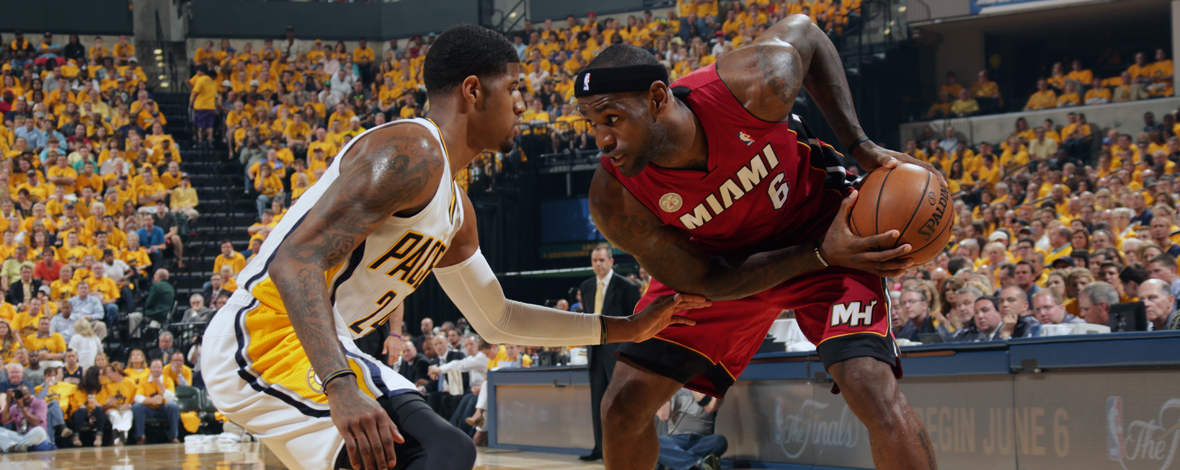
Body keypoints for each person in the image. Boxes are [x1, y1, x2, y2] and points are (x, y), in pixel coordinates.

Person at [201, 25, 708, 470]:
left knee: (434, 451)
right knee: (441, 451)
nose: (521, 104)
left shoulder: (456, 210)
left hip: (321, 346)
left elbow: (498, 320)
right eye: (513, 88)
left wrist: (630, 327)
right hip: (263, 338)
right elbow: (295, 261)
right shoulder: (412, 150)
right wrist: (340, 384)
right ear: (473, 90)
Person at [575, 18, 936, 468]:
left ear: (657, 98)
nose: (603, 140)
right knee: (621, 406)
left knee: (871, 387)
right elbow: (706, 281)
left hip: (827, 233)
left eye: (612, 119)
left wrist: (858, 143)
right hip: (727, 269)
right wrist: (816, 255)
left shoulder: (750, 87)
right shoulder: (615, 197)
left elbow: (807, 34)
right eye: (592, 123)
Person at [578, 243, 641, 461]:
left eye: (602, 260)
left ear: (611, 261)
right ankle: (600, 449)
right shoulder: (586, 287)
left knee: (619, 404)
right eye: (594, 261)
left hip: (618, 355)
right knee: (598, 404)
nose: (598, 264)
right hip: (594, 354)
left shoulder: (627, 287)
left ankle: (623, 451)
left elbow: (635, 324)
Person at [655, 388, 727, 470]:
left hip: (702, 441)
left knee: (720, 440)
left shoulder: (713, 385)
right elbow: (664, 416)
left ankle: (676, 460)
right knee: (655, 442)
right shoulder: (675, 386)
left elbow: (711, 407)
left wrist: (691, 385)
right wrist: (666, 389)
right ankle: (697, 463)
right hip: (676, 440)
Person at [131, 359, 179, 444]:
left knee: (173, 405)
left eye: (158, 367)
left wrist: (159, 384)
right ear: (150, 368)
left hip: (163, 409)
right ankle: (141, 436)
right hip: (148, 409)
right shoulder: (143, 379)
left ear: (162, 369)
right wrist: (151, 400)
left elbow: (171, 398)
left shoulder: (168, 380)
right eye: (154, 367)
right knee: (137, 406)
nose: (156, 369)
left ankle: (173, 436)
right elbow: (137, 397)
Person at [0, 384, 52, 452]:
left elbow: (36, 422)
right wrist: (8, 402)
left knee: (39, 430)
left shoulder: (40, 403)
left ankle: (12, 447)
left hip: (36, 436)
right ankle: (17, 447)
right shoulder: (15, 407)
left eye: (26, 394)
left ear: (30, 393)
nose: (24, 397)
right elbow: (4, 419)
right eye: (21, 395)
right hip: (21, 436)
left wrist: (22, 408)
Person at [68, 366, 106, 447]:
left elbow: (101, 404)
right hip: (79, 412)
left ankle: (99, 435)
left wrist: (92, 414)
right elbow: (81, 405)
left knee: (99, 409)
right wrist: (89, 415)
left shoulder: (101, 388)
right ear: (94, 376)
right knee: (83, 411)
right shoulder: (80, 388)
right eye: (100, 375)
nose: (101, 376)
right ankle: (75, 436)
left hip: (93, 412)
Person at [101, 362, 135, 445]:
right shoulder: (107, 384)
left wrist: (129, 405)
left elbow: (135, 398)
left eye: (109, 373)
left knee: (128, 415)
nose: (107, 375)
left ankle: (117, 436)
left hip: (125, 408)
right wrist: (107, 404)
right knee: (115, 416)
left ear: (116, 372)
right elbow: (103, 403)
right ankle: (122, 436)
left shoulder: (130, 382)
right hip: (112, 408)